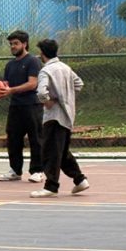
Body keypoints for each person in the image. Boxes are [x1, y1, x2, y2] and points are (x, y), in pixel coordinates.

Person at [30, 38, 90, 198]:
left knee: (50, 152)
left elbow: (41, 92)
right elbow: (79, 84)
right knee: (62, 152)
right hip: (67, 115)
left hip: (53, 117)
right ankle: (80, 180)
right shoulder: (65, 68)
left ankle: (51, 186)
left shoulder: (46, 71)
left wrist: (48, 101)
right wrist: (66, 97)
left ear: (42, 54)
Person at [0, 30, 44, 184]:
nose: (13, 46)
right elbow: (6, 85)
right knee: (13, 139)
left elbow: (32, 84)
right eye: (11, 44)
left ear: (24, 44)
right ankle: (15, 171)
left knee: (36, 138)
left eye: (16, 43)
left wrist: (11, 90)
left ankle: (37, 171)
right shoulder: (9, 65)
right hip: (15, 106)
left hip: (32, 105)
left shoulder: (33, 61)